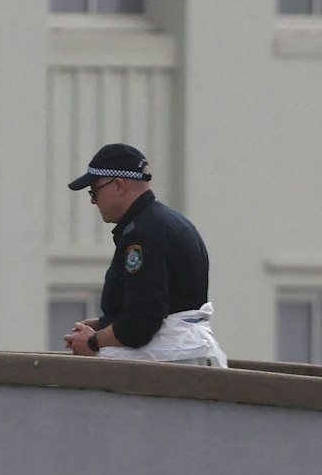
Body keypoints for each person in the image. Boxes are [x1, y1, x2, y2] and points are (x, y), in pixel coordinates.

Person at [62, 143, 225, 366]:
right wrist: (102, 324)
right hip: (183, 355)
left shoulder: (143, 233)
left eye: (95, 191)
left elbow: (142, 321)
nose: (92, 200)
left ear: (118, 185)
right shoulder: (169, 222)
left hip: (167, 365)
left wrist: (92, 342)